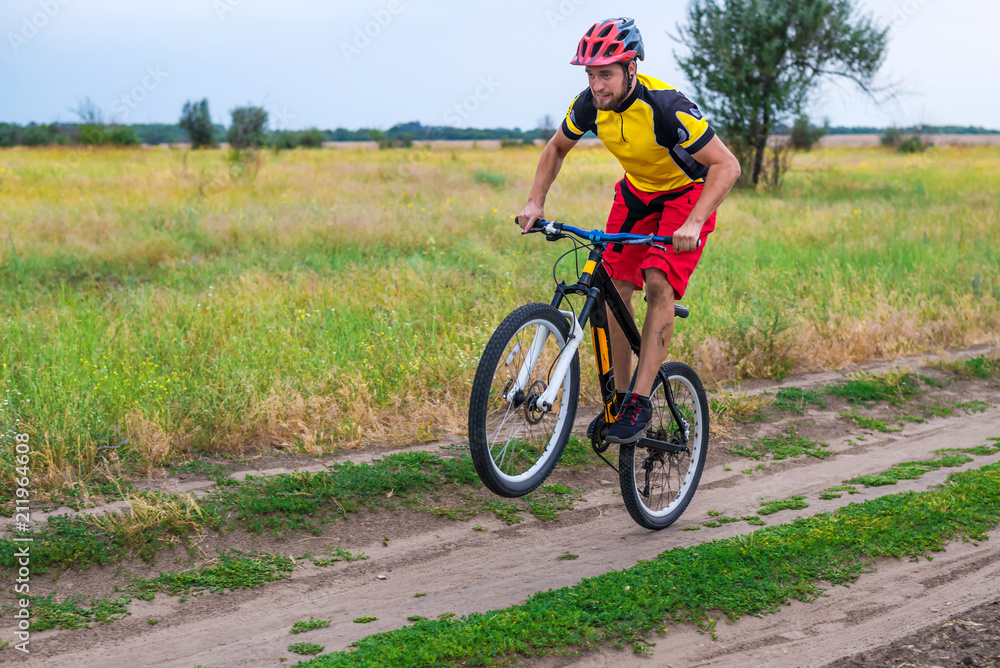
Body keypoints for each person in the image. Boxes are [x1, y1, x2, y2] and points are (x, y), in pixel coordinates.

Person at [516, 17, 741, 445]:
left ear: (631, 68)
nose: (597, 85)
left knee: (658, 282)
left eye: (606, 74)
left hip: (686, 195)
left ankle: (641, 399)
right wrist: (535, 202)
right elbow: (556, 148)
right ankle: (620, 400)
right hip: (637, 195)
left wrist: (693, 222)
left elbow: (727, 165)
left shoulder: (665, 107)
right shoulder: (587, 105)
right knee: (613, 288)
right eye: (590, 75)